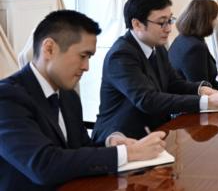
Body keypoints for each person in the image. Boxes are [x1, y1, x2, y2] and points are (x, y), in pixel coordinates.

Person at [0, 10, 166, 190]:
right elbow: (43, 165)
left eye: (89, 57)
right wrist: (128, 153)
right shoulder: (7, 97)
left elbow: (80, 149)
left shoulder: (68, 96)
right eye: (82, 56)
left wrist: (112, 143)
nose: (86, 67)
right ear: (49, 49)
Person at [92, 0, 218, 143]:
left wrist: (201, 90)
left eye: (170, 20)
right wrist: (206, 102)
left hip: (157, 131)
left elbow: (173, 83)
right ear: (137, 24)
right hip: (123, 139)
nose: (169, 28)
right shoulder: (121, 55)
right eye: (161, 23)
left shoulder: (157, 47)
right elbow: (148, 100)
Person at [168, 0, 218, 89]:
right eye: (215, 18)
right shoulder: (195, 48)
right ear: (206, 20)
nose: (216, 21)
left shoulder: (183, 38)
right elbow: (202, 88)